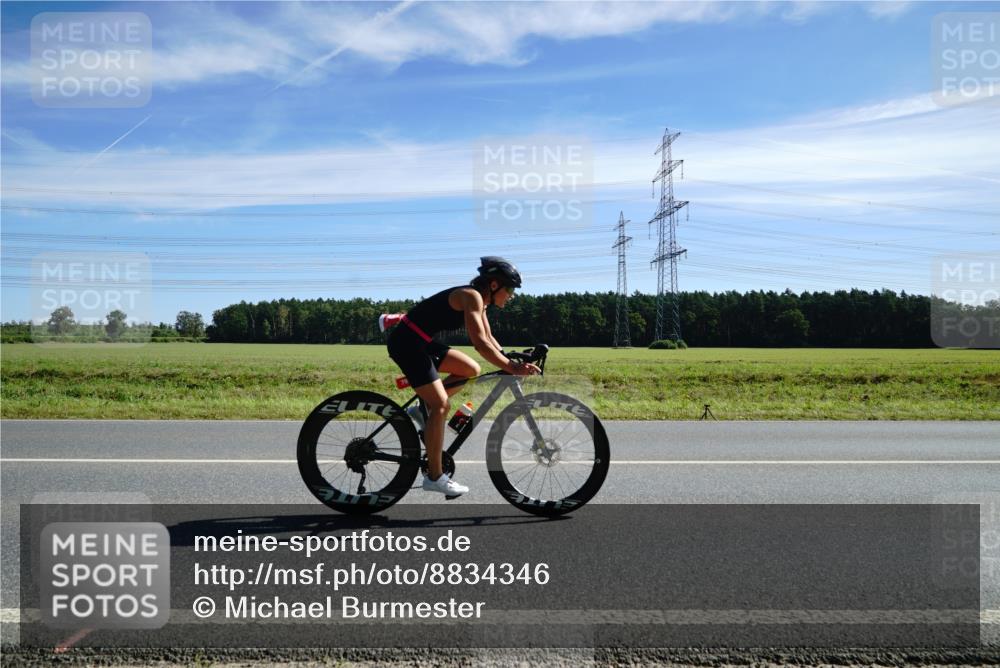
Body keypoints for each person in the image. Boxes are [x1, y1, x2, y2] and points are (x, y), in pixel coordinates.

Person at [385, 257, 541, 497]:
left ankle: (422, 408)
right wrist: (511, 367)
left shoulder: (481, 302)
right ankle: (435, 477)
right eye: (509, 289)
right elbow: (479, 344)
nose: (512, 295)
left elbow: (489, 340)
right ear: (493, 285)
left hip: (421, 342)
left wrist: (511, 358)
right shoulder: (471, 296)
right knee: (441, 406)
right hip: (407, 344)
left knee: (471, 369)